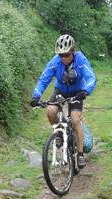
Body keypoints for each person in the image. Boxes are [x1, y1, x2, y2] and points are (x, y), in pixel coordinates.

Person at [30, 34, 96, 169]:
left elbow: (91, 77)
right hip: (60, 90)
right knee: (50, 111)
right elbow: (44, 79)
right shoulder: (55, 62)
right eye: (61, 55)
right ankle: (60, 133)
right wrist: (36, 96)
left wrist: (85, 91)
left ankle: (80, 154)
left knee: (75, 119)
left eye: (66, 55)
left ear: (72, 51)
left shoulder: (80, 60)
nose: (64, 58)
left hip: (77, 92)